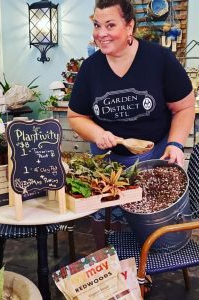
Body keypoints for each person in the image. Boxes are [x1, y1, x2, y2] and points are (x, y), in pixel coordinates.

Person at [67, 0, 195, 249]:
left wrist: (176, 144)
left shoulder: (160, 59)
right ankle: (114, 271)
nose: (101, 33)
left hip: (154, 158)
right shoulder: (90, 69)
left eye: (110, 25)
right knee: (110, 228)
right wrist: (98, 133)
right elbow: (76, 116)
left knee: (154, 230)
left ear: (129, 27)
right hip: (107, 165)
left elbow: (184, 107)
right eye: (96, 25)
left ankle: (145, 276)